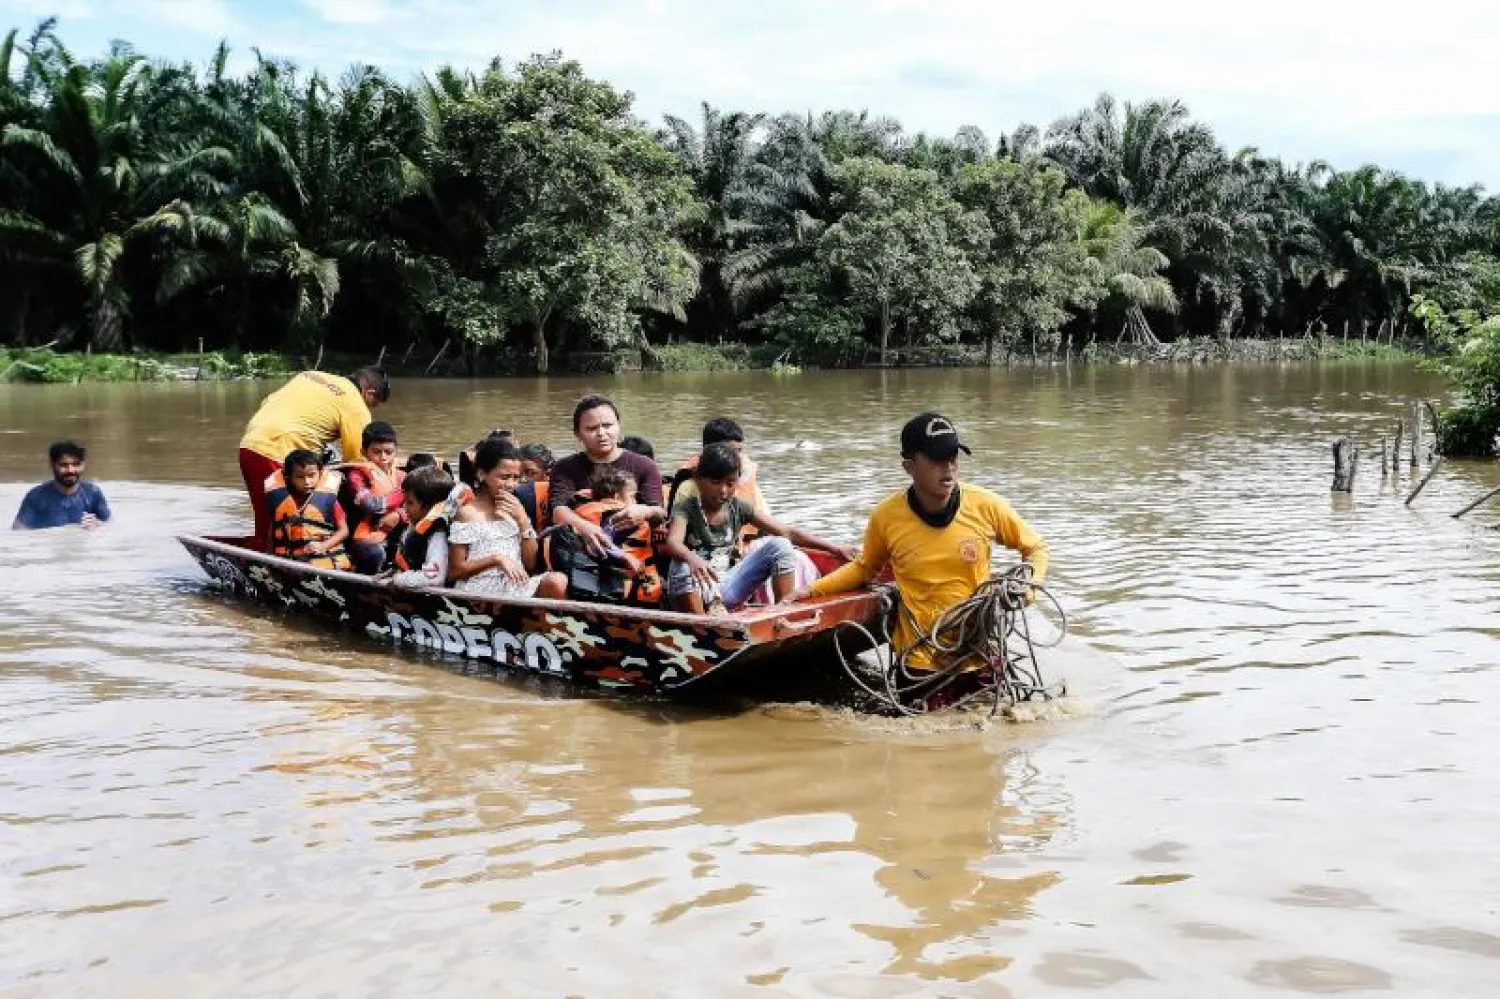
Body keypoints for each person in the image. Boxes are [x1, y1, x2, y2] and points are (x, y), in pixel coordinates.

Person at [801, 412, 1050, 670]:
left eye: (953, 458)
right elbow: (865, 568)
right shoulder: (886, 517)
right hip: (920, 660)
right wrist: (812, 591)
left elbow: (1036, 549)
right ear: (909, 466)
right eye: (937, 460)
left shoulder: (986, 505)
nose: (949, 468)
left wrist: (1027, 588)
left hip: (978, 654)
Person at [661, 443, 853, 614]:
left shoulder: (738, 507)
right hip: (691, 591)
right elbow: (673, 542)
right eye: (715, 482)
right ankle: (703, 628)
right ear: (698, 479)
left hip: (724, 588)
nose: (723, 490)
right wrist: (692, 558)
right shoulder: (686, 508)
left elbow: (788, 532)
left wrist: (835, 548)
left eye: (730, 483)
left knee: (781, 545)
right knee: (682, 565)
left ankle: (782, 614)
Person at [238, 367, 389, 549]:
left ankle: (262, 550)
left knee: (266, 516)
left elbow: (268, 402)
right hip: (282, 451)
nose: (370, 408)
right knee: (286, 517)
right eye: (373, 403)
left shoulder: (310, 375)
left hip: (250, 443)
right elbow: (358, 458)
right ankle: (279, 562)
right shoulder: (355, 404)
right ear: (369, 393)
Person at [448, 439, 567, 599]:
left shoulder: (516, 509)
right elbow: (455, 571)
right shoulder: (467, 513)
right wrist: (496, 560)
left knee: (558, 581)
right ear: (482, 474)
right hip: (479, 590)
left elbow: (530, 564)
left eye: (516, 478)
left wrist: (523, 521)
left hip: (515, 587)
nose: (511, 484)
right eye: (504, 477)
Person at [548, 395, 666, 557]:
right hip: (579, 548)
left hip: (633, 548)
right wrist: (584, 527)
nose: (602, 433)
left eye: (608, 425)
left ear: (618, 426)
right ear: (578, 433)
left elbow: (659, 511)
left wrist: (643, 511)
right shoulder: (565, 468)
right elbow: (558, 510)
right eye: (591, 428)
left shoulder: (644, 465)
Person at [566, 468, 662, 604]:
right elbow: (604, 539)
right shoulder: (623, 515)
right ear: (617, 497)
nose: (635, 502)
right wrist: (624, 556)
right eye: (633, 497)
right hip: (631, 583)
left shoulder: (580, 514)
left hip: (589, 582)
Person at [265, 449, 352, 570]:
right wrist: (269, 559)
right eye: (300, 477)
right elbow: (272, 532)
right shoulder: (280, 500)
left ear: (320, 474)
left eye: (311, 475)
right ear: (289, 478)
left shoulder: (329, 499)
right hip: (290, 559)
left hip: (321, 558)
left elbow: (344, 531)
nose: (307, 482)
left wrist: (323, 546)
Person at [340, 421, 405, 574]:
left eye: (388, 452)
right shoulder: (356, 476)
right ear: (364, 452)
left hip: (395, 531)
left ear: (395, 451)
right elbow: (372, 505)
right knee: (375, 553)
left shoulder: (402, 475)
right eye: (376, 452)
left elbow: (420, 507)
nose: (383, 457)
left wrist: (399, 515)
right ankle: (364, 589)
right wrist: (403, 491)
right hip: (363, 535)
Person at [11, 440, 111, 531]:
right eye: (64, 465)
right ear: (52, 465)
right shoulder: (36, 497)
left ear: (83, 465)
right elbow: (18, 532)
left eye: (76, 464)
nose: (70, 470)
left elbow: (111, 526)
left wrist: (98, 525)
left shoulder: (93, 493)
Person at [389, 466, 462, 589]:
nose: (404, 508)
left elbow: (434, 578)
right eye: (404, 501)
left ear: (429, 507)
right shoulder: (416, 524)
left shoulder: (438, 534)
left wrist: (398, 579)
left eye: (410, 503)